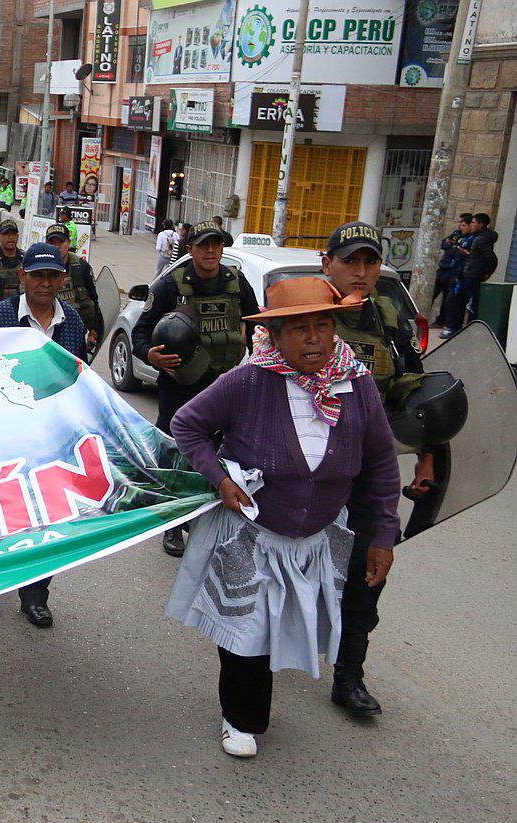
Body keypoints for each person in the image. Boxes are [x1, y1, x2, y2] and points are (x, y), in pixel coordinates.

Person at [166, 277, 401, 758]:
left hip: (314, 534)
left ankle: (257, 698)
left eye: (322, 326)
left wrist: (382, 534)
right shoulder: (250, 380)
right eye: (299, 329)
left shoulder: (356, 385)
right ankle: (241, 718)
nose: (313, 338)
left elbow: (381, 465)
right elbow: (186, 424)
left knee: (282, 623)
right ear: (276, 337)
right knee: (246, 627)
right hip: (251, 532)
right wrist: (219, 478)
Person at [318, 222, 432, 717]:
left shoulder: (389, 317)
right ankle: (260, 664)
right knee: (286, 570)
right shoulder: (305, 310)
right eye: (351, 261)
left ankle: (349, 678)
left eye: (370, 262)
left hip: (369, 475)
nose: (361, 272)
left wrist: (430, 452)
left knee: (367, 574)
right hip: (309, 471)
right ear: (328, 265)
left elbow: (414, 387)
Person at [131, 222, 261, 557]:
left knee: (222, 460)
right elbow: (140, 333)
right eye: (203, 245)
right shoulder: (168, 286)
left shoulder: (236, 284)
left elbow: (259, 324)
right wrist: (150, 354)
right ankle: (173, 526)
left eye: (216, 245)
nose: (211, 251)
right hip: (181, 389)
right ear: (190, 249)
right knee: (178, 459)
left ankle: (207, 524)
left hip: (225, 386)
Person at [0, 243, 90, 629]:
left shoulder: (73, 321)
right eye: (38, 276)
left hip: (54, 438)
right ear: (23, 277)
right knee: (6, 511)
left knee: (48, 516)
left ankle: (35, 594)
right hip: (7, 433)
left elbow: (81, 374)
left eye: (53, 276)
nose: (45, 283)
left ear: (63, 278)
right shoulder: (1, 317)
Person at [45, 223, 102, 355]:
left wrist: (94, 332)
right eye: (52, 242)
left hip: (75, 333)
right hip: (46, 334)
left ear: (69, 242)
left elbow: (94, 300)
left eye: (61, 242)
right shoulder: (39, 269)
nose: (57, 246)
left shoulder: (81, 267)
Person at [432, 214, 471, 320]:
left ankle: (441, 320)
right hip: (443, 269)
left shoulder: (468, 239)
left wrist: (454, 247)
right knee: (432, 293)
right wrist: (451, 246)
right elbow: (443, 244)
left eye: (463, 224)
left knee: (447, 299)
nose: (460, 226)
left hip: (452, 272)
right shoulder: (456, 234)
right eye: (459, 223)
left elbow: (460, 252)